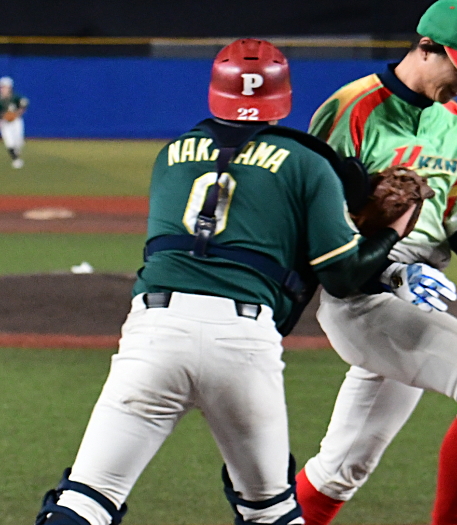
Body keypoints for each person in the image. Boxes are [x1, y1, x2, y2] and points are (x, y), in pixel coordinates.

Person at [34, 38, 421, 525]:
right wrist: (390, 231)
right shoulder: (308, 162)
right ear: (283, 97)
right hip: (242, 339)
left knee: (87, 497)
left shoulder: (171, 155)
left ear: (216, 92)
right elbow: (341, 275)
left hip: (154, 332)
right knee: (270, 510)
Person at [294, 1, 457, 525]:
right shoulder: (351, 109)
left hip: (416, 295)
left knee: (341, 470)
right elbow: (314, 226)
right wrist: (389, 272)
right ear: (427, 48)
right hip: (361, 295)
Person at [0, 76, 29, 169]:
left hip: (16, 121)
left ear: (10, 88)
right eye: (2, 87)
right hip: (5, 123)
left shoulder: (15, 97)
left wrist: (17, 113)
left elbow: (24, 104)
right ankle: (16, 160)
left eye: (5, 87)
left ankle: (17, 150)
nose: (3, 89)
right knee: (9, 142)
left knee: (18, 141)